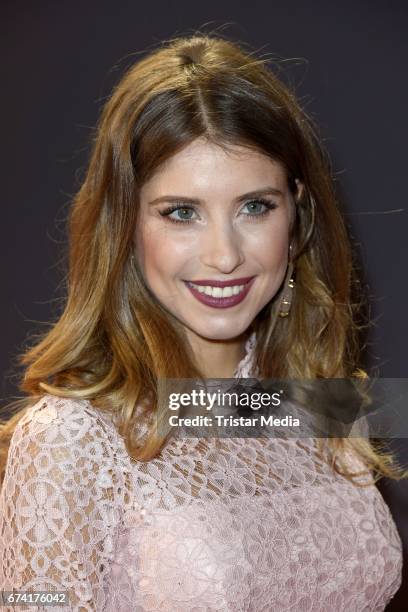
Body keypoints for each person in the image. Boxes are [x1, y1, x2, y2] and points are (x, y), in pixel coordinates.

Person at [0, 33, 405, 611]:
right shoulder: (72, 438)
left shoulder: (323, 403)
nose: (224, 255)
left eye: (254, 207)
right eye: (181, 213)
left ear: (297, 212)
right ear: (126, 226)